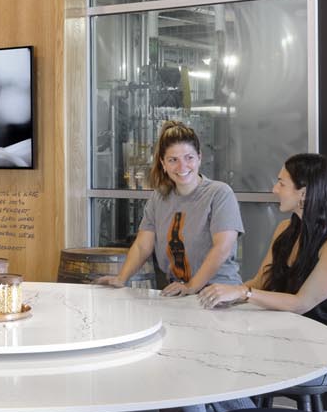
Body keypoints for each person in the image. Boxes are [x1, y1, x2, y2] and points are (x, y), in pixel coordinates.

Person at [191, 152, 327, 412]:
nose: (274, 189)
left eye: (282, 183)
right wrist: (226, 294)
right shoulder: (285, 230)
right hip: (279, 339)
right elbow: (261, 282)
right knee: (206, 361)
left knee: (217, 374)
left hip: (322, 355)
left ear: (303, 193)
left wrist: (244, 293)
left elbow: (301, 303)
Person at [97, 121, 242, 296]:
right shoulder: (159, 197)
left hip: (219, 295)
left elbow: (222, 248)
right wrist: (121, 278)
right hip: (178, 294)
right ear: (163, 164)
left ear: (199, 157)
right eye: (173, 160)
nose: (182, 167)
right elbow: (143, 246)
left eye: (189, 157)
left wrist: (192, 286)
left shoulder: (219, 193)